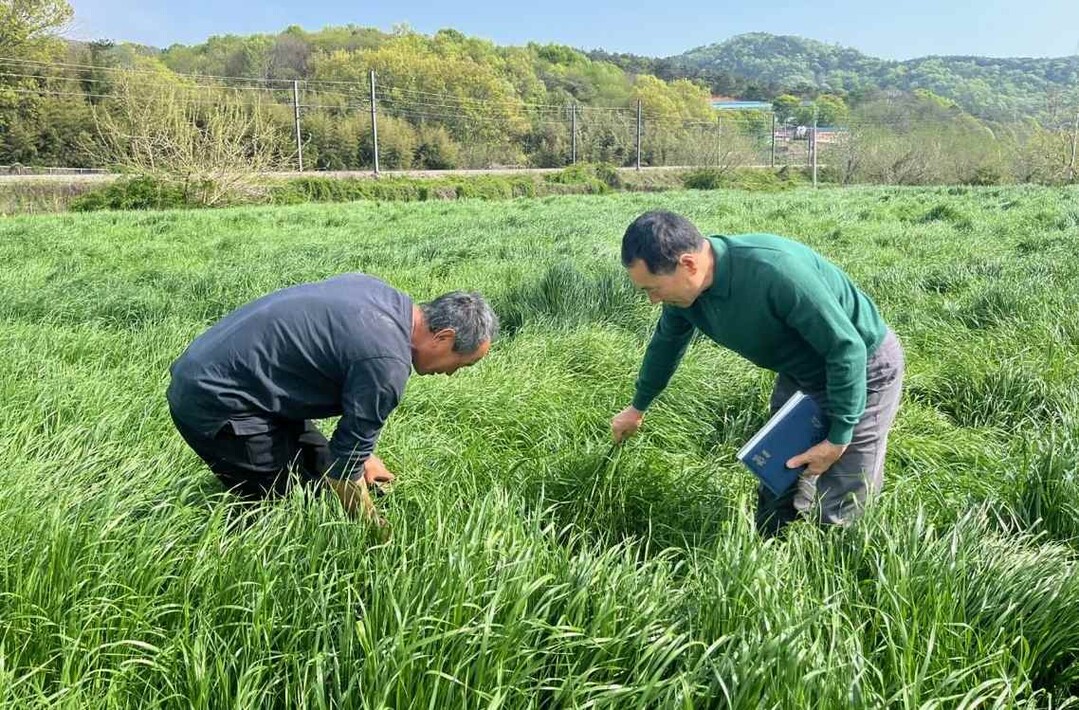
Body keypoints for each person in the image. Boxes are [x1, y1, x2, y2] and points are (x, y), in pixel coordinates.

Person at [610, 210, 904, 536]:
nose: (652, 300)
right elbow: (665, 345)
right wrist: (638, 407)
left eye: (654, 288)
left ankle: (838, 568)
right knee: (777, 473)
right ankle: (771, 554)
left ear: (688, 264)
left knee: (843, 499)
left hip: (865, 367)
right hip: (800, 371)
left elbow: (846, 348)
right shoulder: (684, 299)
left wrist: (838, 437)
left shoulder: (774, 272)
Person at [167, 273, 497, 522]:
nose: (452, 373)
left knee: (321, 469)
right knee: (289, 510)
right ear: (444, 337)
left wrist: (364, 457)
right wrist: (375, 529)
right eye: (462, 364)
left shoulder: (381, 294)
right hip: (218, 399)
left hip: (228, 377)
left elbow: (342, 375)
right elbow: (344, 472)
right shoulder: (387, 364)